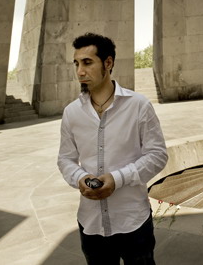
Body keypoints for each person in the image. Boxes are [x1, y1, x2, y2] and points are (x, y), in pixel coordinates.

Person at [57, 33, 168, 264]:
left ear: (108, 63)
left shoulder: (138, 105)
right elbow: (65, 159)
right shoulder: (71, 112)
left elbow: (157, 155)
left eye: (87, 62)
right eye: (76, 64)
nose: (80, 72)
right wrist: (80, 177)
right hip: (91, 224)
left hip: (133, 222)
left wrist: (117, 179)